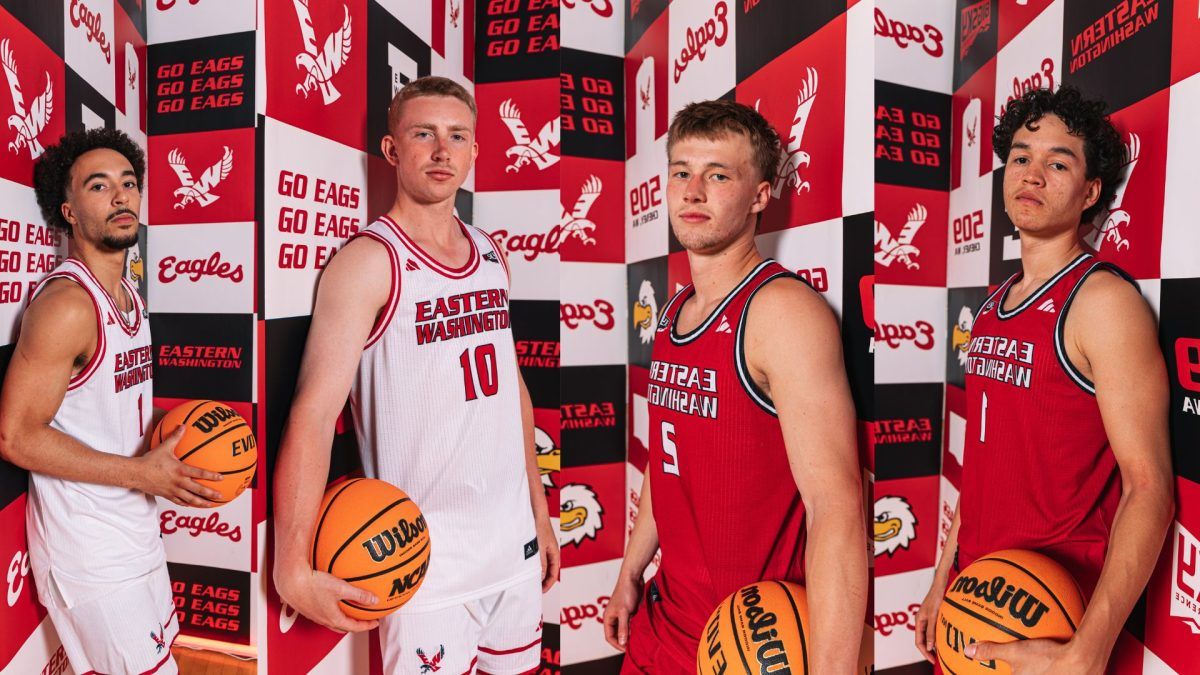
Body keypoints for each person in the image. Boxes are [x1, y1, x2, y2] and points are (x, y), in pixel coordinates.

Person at [273, 76, 559, 674]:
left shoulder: (490, 253)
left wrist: (539, 509)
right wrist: (291, 566)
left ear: (476, 152)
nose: (441, 150)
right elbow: (315, 411)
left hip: (513, 548)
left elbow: (512, 387)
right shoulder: (369, 261)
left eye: (457, 136)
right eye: (422, 134)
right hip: (419, 560)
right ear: (392, 149)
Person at [914, 86, 1174, 673]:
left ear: (1089, 193)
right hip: (973, 598)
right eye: (1022, 157)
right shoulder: (994, 302)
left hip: (1050, 614)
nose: (1032, 174)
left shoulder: (1102, 301)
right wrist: (941, 581)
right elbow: (982, 466)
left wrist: (1089, 649)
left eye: (1058, 162)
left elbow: (1149, 487)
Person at [602, 100, 867, 672]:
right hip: (662, 627)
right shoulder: (675, 312)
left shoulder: (781, 313)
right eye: (681, 172)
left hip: (752, 647)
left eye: (718, 175)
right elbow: (669, 465)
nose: (692, 192)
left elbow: (836, 507)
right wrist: (629, 571)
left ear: (761, 195)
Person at [0, 128, 224, 674]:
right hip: (91, 554)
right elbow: (16, 436)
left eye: (128, 183)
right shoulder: (67, 306)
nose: (121, 196)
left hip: (135, 532)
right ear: (69, 212)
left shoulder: (128, 293)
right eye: (98, 186)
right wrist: (140, 474)